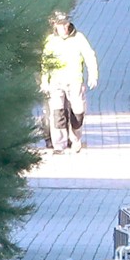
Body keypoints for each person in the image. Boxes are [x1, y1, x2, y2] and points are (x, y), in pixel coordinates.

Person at [40, 13, 99, 154]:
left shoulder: (79, 38)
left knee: (77, 111)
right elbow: (45, 63)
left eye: (66, 24)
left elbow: (89, 56)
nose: (64, 27)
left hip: (74, 81)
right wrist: (44, 81)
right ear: (56, 26)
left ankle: (76, 139)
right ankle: (59, 145)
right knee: (57, 112)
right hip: (56, 81)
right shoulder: (51, 41)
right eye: (61, 25)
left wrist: (93, 75)